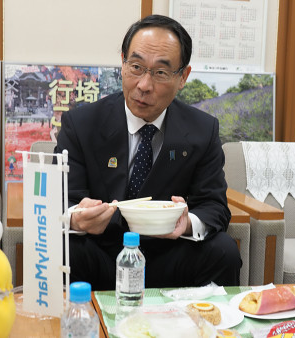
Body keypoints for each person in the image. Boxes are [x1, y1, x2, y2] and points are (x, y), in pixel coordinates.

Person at [55, 14, 241, 290]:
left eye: (161, 72)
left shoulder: (203, 130)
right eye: (136, 67)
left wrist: (186, 222)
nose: (144, 85)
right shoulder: (81, 124)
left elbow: (214, 206)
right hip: (100, 253)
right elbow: (62, 200)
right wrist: (76, 218)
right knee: (63, 247)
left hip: (167, 256)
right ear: (122, 63)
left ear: (183, 77)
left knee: (223, 250)